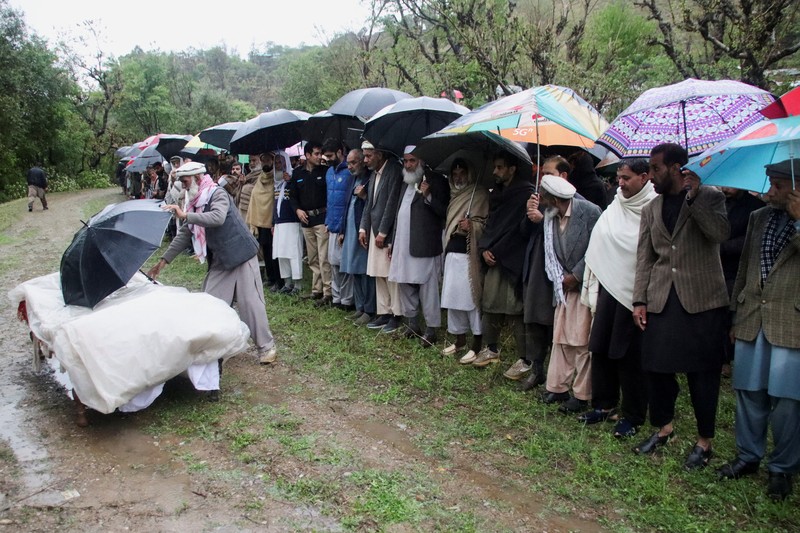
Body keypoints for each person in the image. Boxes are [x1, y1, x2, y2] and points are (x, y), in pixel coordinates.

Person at [632, 143, 729, 471]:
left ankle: (705, 442)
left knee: (702, 373)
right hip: (661, 298)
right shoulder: (651, 207)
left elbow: (719, 233)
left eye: (656, 169)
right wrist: (639, 299)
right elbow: (645, 256)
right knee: (655, 367)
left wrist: (694, 198)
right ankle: (664, 428)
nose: (652, 175)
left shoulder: (710, 196)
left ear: (676, 168)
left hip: (702, 299)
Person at [717, 159, 800, 501]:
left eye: (778, 185)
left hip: (790, 320)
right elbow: (747, 267)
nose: (771, 192)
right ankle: (748, 456)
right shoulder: (758, 217)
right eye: (771, 184)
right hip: (753, 316)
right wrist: (736, 314)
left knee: (787, 400)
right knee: (748, 392)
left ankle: (782, 468)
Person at [147, 162, 278, 366]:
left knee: (250, 304)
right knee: (209, 303)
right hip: (220, 259)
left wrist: (186, 215)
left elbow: (217, 217)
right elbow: (185, 232)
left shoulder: (217, 194)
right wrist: (163, 261)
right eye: (181, 181)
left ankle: (266, 347)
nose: (182, 185)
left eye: (185, 180)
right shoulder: (193, 201)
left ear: (198, 178)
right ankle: (214, 350)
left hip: (241, 254)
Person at [578, 158, 656, 436]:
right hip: (607, 284)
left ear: (645, 177)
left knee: (629, 356)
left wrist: (641, 297)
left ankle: (633, 414)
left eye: (626, 178)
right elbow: (603, 235)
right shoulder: (617, 202)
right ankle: (604, 404)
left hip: (634, 292)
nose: (620, 183)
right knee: (600, 347)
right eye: (619, 177)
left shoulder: (653, 206)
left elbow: (648, 251)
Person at [536, 175, 601, 413]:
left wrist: (575, 276)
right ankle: (558, 387)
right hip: (561, 286)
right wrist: (561, 279)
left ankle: (582, 395)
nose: (540, 201)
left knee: (582, 341)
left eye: (544, 197)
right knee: (561, 338)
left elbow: (597, 247)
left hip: (583, 285)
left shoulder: (590, 211)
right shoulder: (551, 217)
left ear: (554, 198)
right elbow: (551, 252)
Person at [470, 152, 533, 369]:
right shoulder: (497, 193)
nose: (495, 171)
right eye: (495, 167)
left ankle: (525, 359)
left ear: (512, 169)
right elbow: (493, 225)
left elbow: (520, 231)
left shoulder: (526, 193)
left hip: (513, 259)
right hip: (493, 257)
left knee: (515, 310)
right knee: (490, 304)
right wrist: (485, 248)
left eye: (499, 167)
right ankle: (491, 349)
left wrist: (497, 249)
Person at [388, 147, 449, 347]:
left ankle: (431, 329)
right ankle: (413, 323)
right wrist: (392, 241)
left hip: (425, 244)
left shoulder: (436, 181)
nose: (408, 165)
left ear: (421, 161)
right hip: (403, 243)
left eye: (412, 161)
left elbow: (443, 212)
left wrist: (428, 195)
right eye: (405, 161)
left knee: (427, 287)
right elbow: (399, 213)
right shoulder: (404, 181)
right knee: (404, 282)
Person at [441, 158, 489, 361]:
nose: (458, 177)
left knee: (470, 299)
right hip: (451, 251)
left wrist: (472, 226)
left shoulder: (479, 194)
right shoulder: (454, 195)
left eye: (462, 173)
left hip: (468, 253)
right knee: (452, 297)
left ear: (470, 173)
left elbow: (486, 223)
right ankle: (459, 339)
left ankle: (476, 343)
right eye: (455, 174)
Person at [719, 187, 764, 375]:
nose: (725, 189)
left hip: (738, 269)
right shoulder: (719, 203)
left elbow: (750, 240)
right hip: (717, 269)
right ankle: (720, 357)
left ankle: (728, 359)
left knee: (731, 315)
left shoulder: (755, 208)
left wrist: (722, 247)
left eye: (730, 186)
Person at [359, 141, 403, 332]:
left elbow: (392, 203)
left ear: (379, 154)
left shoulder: (393, 169)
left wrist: (383, 232)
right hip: (374, 229)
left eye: (368, 156)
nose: (365, 160)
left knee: (390, 275)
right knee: (378, 273)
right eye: (364, 155)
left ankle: (396, 314)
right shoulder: (374, 173)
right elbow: (369, 203)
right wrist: (363, 228)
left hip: (387, 232)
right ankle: (383, 312)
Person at [290, 142, 331, 303]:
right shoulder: (298, 173)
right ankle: (317, 289)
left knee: (324, 256)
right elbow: (292, 196)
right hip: (306, 219)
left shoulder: (325, 171)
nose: (319, 156)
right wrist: (297, 210)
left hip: (321, 218)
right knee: (312, 257)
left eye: (320, 153)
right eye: (316, 153)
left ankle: (328, 292)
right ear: (307, 155)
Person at [340, 148, 376, 324]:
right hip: (350, 228)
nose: (350, 166)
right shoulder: (352, 178)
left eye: (353, 162)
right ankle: (359, 306)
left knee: (364, 270)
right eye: (348, 162)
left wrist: (364, 196)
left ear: (362, 161)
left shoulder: (371, 177)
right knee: (354, 269)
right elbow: (345, 206)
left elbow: (373, 204)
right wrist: (342, 231)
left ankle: (369, 309)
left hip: (363, 230)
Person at [323, 139, 354, 310]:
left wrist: (343, 227)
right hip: (331, 224)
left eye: (330, 155)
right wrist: (327, 221)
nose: (327, 159)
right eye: (325, 156)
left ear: (340, 152)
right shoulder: (329, 172)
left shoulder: (349, 173)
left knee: (344, 265)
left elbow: (348, 201)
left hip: (344, 226)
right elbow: (330, 199)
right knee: (333, 263)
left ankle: (347, 300)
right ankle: (336, 298)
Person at [247, 152, 281, 292]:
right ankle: (270, 277)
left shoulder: (277, 177)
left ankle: (278, 279)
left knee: (274, 251)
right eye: (264, 160)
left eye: (268, 160)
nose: (266, 163)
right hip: (260, 220)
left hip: (272, 220)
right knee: (265, 249)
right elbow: (256, 196)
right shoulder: (259, 177)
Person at [273, 153, 304, 295]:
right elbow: (275, 204)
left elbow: (298, 196)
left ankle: (297, 283)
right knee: (281, 253)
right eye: (276, 162)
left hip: (291, 220)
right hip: (279, 222)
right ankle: (287, 281)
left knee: (293, 252)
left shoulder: (295, 176)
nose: (279, 164)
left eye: (281, 161)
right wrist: (274, 222)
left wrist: (291, 181)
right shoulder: (277, 181)